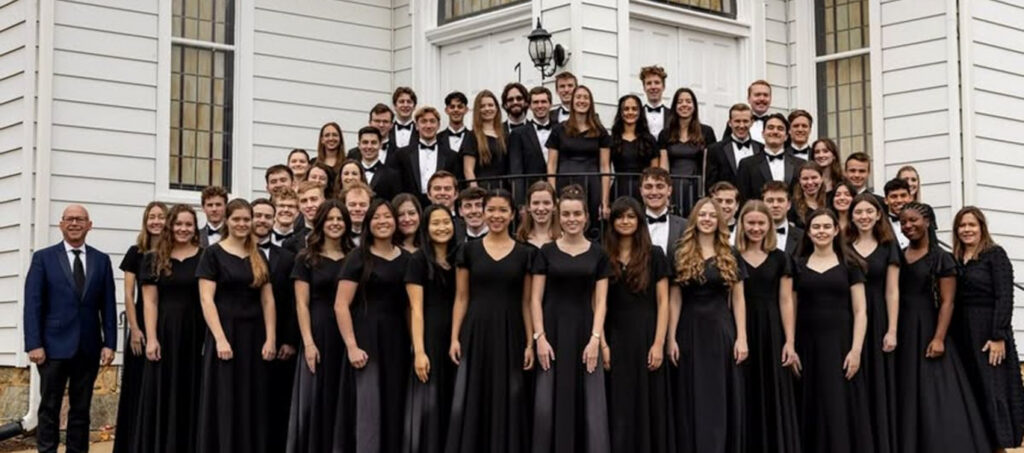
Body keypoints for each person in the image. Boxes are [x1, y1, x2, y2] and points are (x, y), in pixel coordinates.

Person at [895, 202, 991, 452]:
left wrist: (938, 338)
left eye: (913, 220)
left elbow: (948, 302)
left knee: (934, 391)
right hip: (904, 328)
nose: (908, 226)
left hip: (929, 327)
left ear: (927, 222)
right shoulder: (899, 255)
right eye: (903, 222)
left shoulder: (941, 258)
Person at [446, 189, 536, 453]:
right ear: (484, 213)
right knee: (475, 391)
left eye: (502, 210)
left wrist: (530, 342)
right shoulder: (468, 251)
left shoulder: (525, 254)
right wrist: (454, 337)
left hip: (511, 332)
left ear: (513, 215)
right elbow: (461, 297)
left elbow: (526, 302)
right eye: (491, 210)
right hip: (476, 332)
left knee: (509, 393)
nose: (497, 215)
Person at [24, 204, 117, 453]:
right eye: (70, 219)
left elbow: (108, 304)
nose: (75, 223)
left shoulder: (101, 260)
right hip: (52, 347)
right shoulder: (43, 258)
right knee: (49, 407)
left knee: (81, 409)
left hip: (88, 347)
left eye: (80, 219)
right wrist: (34, 343)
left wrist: (110, 343)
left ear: (89, 225)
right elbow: (33, 304)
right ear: (61, 224)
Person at [531, 185, 612, 452]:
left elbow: (601, 301)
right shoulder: (546, 252)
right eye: (566, 214)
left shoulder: (599, 253)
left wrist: (595, 339)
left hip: (586, 333)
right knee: (549, 398)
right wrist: (540, 338)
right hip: (552, 334)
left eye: (577, 214)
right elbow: (534, 299)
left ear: (586, 216)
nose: (571, 219)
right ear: (559, 216)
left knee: (590, 402)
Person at [195, 199, 277, 453]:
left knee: (253, 397)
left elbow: (268, 300)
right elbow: (206, 299)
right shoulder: (212, 254)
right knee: (225, 397)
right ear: (227, 221)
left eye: (246, 219)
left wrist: (271, 338)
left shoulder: (258, 255)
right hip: (225, 335)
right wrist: (220, 339)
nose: (242, 224)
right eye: (236, 219)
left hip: (255, 336)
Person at [667, 197, 747, 453]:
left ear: (719, 220)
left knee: (718, 391)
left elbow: (738, 299)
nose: (707, 219)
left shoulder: (731, 253)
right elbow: (675, 298)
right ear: (694, 219)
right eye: (702, 214)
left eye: (712, 215)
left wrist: (742, 337)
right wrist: (670, 337)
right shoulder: (680, 252)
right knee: (691, 392)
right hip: (689, 329)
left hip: (721, 329)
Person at [791, 208, 873, 452]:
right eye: (816, 227)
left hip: (841, 345)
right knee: (811, 401)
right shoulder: (797, 265)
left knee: (840, 403)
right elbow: (791, 308)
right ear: (808, 232)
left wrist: (856, 350)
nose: (821, 231)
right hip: (807, 345)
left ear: (836, 230)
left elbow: (860, 311)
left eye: (827, 226)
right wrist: (791, 346)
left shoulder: (850, 265)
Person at [334, 199, 412, 453]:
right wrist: (351, 346)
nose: (382, 222)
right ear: (368, 223)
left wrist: (415, 343)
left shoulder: (407, 259)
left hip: (397, 339)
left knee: (394, 401)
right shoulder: (358, 257)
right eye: (376, 217)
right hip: (366, 337)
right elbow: (341, 305)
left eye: (387, 216)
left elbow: (410, 306)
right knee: (368, 404)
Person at [602, 196, 673, 453]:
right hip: (615, 335)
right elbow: (598, 304)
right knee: (619, 401)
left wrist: (658, 343)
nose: (625, 221)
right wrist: (603, 344)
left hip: (647, 335)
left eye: (631, 216)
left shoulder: (655, 255)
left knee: (649, 400)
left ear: (639, 221)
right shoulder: (603, 255)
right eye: (620, 216)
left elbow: (663, 302)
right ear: (612, 221)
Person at [951, 206, 1024, 451]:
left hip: (988, 333)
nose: (967, 230)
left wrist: (998, 336)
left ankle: (999, 446)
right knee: (972, 391)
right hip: (963, 333)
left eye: (972, 225)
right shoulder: (956, 258)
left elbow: (1005, 296)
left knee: (993, 388)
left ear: (982, 227)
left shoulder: (995, 255)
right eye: (962, 226)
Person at [134, 204, 204, 453]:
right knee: (162, 390)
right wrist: (152, 338)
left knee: (193, 389)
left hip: (196, 331)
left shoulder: (206, 256)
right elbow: (150, 302)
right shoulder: (153, 259)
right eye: (179, 224)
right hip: (164, 330)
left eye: (188, 224)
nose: (183, 229)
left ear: (195, 228)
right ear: (170, 226)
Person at [287, 199, 352, 453]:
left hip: (347, 332)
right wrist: (308, 343)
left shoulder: (354, 257)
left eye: (340, 219)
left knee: (342, 394)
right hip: (318, 330)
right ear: (321, 223)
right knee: (315, 397)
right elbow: (301, 304)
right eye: (330, 219)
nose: (335, 223)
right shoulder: (306, 258)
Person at [735, 200, 801, 452]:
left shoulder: (781, 258)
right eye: (750, 223)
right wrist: (739, 336)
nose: (756, 228)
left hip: (772, 329)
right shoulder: (732, 256)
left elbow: (786, 301)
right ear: (742, 224)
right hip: (741, 327)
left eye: (761, 223)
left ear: (769, 225)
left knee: (773, 389)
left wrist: (790, 342)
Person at [846, 192, 900, 453]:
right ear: (851, 216)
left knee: (878, 383)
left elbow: (892, 291)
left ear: (879, 214)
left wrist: (892, 330)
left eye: (869, 211)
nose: (864, 216)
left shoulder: (888, 246)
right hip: (849, 318)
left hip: (878, 318)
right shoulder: (843, 245)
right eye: (858, 212)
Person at [113, 201, 167, 453]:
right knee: (137, 384)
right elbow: (128, 294)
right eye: (151, 217)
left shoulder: (172, 252)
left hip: (167, 323)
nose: (156, 221)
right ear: (146, 222)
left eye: (161, 217)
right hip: (142, 325)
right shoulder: (136, 252)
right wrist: (135, 329)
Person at [404, 205, 458, 453]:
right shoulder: (417, 261)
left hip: (456, 335)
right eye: (435, 223)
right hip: (430, 335)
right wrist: (419, 351)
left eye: (446, 222)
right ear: (426, 228)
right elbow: (415, 309)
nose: (442, 227)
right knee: (430, 400)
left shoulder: (460, 257)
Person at [252, 198, 298, 452]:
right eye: (257, 215)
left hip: (280, 341)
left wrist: (290, 340)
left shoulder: (288, 257)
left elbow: (294, 301)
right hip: (244, 336)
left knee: (277, 401)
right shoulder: (232, 254)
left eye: (267, 216)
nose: (262, 220)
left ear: (274, 219)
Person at [546, 85, 612, 233]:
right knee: (565, 225)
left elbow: (605, 167)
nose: (582, 101)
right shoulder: (559, 130)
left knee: (592, 227)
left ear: (591, 102)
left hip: (592, 185)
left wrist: (605, 201)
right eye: (578, 97)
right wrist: (553, 195)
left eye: (585, 97)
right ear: (572, 101)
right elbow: (551, 165)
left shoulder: (600, 131)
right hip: (564, 183)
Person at [658, 88, 714, 215]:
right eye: (680, 102)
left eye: (688, 101)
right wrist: (664, 192)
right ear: (674, 106)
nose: (684, 105)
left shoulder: (706, 132)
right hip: (673, 186)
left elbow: (707, 165)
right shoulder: (665, 134)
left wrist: (705, 191)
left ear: (694, 106)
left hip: (696, 186)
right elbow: (664, 167)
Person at [397, 107, 459, 206]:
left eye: (432, 121)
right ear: (417, 126)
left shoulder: (451, 156)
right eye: (424, 121)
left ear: (438, 125)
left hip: (441, 206)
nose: (428, 125)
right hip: (411, 206)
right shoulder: (403, 154)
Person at [736, 113, 802, 203]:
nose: (775, 132)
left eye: (780, 129)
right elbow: (743, 199)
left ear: (786, 136)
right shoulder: (747, 164)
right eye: (770, 128)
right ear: (763, 134)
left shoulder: (800, 164)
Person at [508, 86, 555, 199]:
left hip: (558, 192)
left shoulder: (561, 129)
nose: (540, 106)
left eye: (543, 102)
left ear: (551, 104)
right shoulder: (518, 133)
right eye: (536, 102)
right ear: (529, 106)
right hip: (531, 194)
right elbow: (516, 171)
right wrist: (519, 202)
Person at [610, 94, 659, 199]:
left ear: (640, 112)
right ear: (621, 112)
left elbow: (655, 172)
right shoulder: (613, 140)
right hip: (619, 190)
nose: (630, 112)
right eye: (626, 109)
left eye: (634, 109)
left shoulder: (649, 140)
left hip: (644, 191)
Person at [706, 103, 762, 192]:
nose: (741, 125)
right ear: (730, 123)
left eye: (745, 121)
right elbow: (711, 185)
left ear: (752, 122)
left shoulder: (761, 148)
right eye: (737, 121)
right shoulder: (715, 150)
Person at [463, 90, 509, 190]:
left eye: (490, 105)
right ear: (477, 110)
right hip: (483, 189)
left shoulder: (505, 134)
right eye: (482, 106)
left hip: (504, 190)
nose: (487, 109)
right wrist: (476, 191)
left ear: (497, 108)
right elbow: (468, 170)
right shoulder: (472, 136)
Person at [640, 167, 686, 259]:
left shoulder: (684, 226)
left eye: (660, 186)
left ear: (669, 190)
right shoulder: (633, 224)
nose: (654, 192)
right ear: (641, 191)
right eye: (648, 187)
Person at [356, 127, 402, 201]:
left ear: (380, 145)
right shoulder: (351, 172)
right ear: (359, 145)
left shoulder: (392, 175)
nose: (369, 146)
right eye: (365, 142)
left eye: (373, 143)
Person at [761, 181, 803, 256]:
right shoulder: (753, 236)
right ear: (762, 204)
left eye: (780, 200)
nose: (775, 205)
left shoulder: (802, 237)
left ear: (789, 205)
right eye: (770, 201)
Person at [516, 181, 561, 249]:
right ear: (528, 207)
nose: (541, 208)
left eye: (546, 203)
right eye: (536, 203)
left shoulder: (563, 239)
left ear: (554, 206)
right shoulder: (519, 241)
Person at [282, 182, 325, 253]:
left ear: (323, 201)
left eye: (314, 199)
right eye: (304, 201)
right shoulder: (289, 244)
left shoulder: (337, 234)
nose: (309, 205)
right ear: (298, 206)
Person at [789, 162, 826, 229]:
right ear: (799, 180)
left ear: (822, 178)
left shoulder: (830, 201)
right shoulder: (792, 205)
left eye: (814, 177)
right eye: (805, 178)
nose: (810, 182)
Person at [639, 65, 669, 137]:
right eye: (649, 83)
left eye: (657, 82)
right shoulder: (637, 115)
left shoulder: (673, 115)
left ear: (663, 86)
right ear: (644, 87)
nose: (653, 87)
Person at [883, 178, 912, 248]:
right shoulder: (880, 224)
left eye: (903, 195)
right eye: (894, 196)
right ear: (886, 200)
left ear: (910, 198)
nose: (899, 200)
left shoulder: (920, 221)